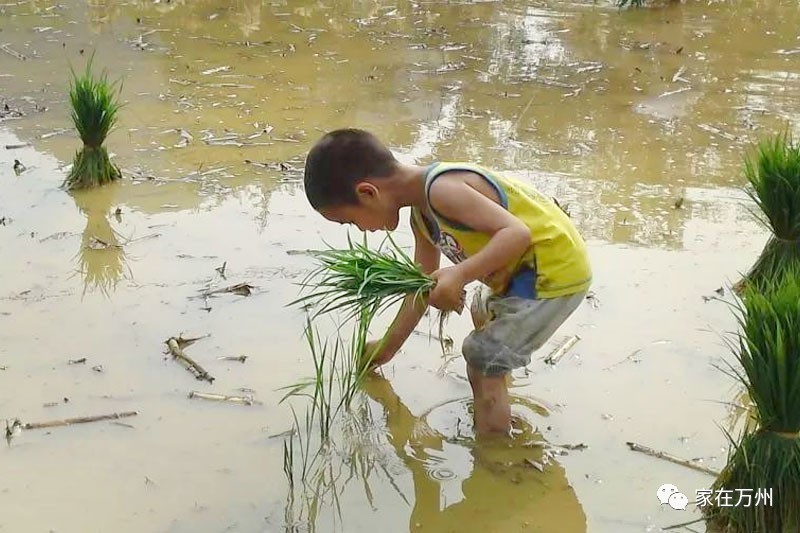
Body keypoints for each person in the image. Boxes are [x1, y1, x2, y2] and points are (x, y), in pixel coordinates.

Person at [302, 128, 591, 435]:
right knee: (481, 311)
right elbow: (420, 289)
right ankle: (499, 388)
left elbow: (516, 234)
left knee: (481, 358)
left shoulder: (442, 190)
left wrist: (459, 274)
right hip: (523, 274)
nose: (360, 229)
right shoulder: (422, 217)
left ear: (367, 193)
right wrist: (388, 347)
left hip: (552, 272)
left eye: (350, 221)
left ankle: (495, 450)